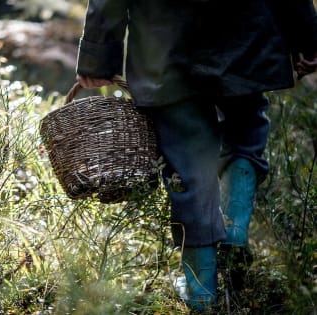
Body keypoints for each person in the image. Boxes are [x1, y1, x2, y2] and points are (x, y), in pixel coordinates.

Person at [75, 0, 317, 312]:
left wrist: (97, 59)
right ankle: (235, 229)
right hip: (246, 37)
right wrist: (307, 38)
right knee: (245, 133)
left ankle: (201, 294)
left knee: (188, 166)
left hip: (164, 47)